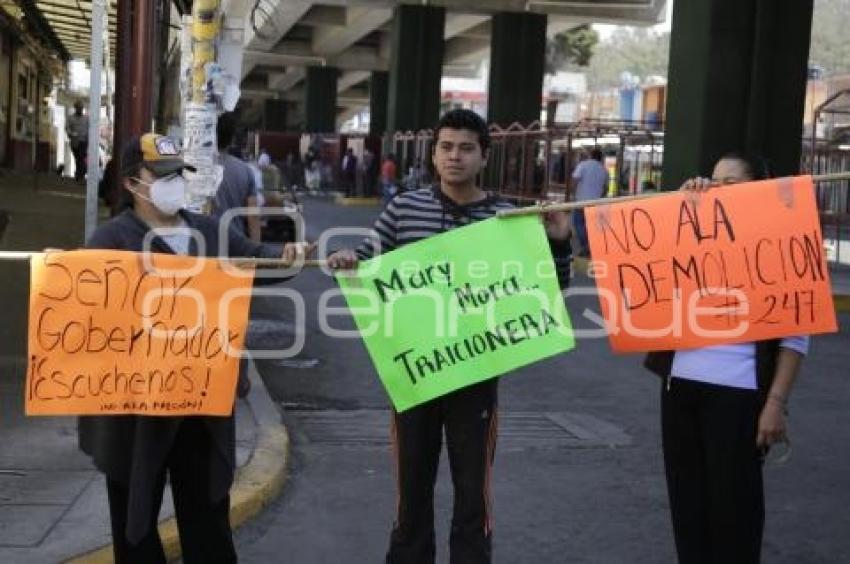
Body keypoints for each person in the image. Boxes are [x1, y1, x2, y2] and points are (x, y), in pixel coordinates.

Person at [328, 109, 569, 564]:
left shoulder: (506, 217)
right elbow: (368, 260)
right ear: (434, 154)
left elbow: (547, 291)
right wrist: (346, 259)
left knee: (472, 497)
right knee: (411, 493)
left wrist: (559, 243)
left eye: (465, 148)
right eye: (446, 147)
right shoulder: (404, 208)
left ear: (483, 157)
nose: (454, 156)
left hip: (476, 379)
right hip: (415, 376)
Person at [78, 133, 310, 564]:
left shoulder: (211, 231)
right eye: (162, 175)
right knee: (135, 523)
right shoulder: (109, 241)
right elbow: (88, 316)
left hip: (201, 408)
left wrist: (294, 252)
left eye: (178, 175)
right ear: (131, 184)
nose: (175, 184)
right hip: (136, 412)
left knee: (207, 522)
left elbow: (260, 257)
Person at [644, 153, 809, 564]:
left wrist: (775, 403)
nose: (717, 189)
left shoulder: (781, 242)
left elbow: (795, 337)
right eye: (713, 180)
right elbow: (649, 270)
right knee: (688, 508)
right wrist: (676, 209)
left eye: (731, 183)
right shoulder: (691, 234)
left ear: (759, 188)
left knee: (735, 511)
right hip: (679, 389)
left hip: (738, 397)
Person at [211, 112, 262, 242]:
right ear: (232, 139)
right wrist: (255, 253)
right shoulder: (245, 171)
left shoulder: (191, 167)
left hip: (200, 246)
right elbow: (253, 217)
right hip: (235, 246)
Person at [571, 147, 609, 257]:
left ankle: (586, 245)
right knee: (590, 225)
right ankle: (589, 246)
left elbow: (575, 180)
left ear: (590, 155)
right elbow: (606, 189)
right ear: (601, 158)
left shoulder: (583, 165)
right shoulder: (604, 170)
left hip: (581, 201)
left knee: (578, 223)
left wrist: (573, 195)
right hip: (595, 204)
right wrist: (599, 197)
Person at [66, 100, 89, 182]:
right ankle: (79, 173)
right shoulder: (71, 118)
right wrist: (70, 134)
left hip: (83, 141)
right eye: (78, 108)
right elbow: (67, 128)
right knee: (77, 158)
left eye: (81, 108)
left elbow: (89, 129)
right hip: (74, 141)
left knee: (81, 158)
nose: (80, 109)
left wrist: (89, 139)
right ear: (75, 108)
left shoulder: (86, 118)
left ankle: (80, 174)